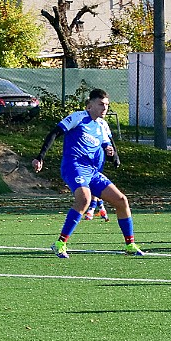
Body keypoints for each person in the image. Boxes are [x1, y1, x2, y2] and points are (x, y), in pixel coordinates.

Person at [32, 88, 143, 258]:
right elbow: (54, 133)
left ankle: (130, 245)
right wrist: (40, 157)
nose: (104, 108)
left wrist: (113, 155)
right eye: (100, 104)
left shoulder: (102, 125)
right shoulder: (78, 117)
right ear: (90, 105)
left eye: (106, 105)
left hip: (92, 171)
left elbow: (108, 145)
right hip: (74, 166)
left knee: (121, 201)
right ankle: (60, 243)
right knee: (84, 199)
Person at [84, 115, 119, 222]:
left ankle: (92, 208)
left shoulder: (102, 123)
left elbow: (110, 139)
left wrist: (115, 156)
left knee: (94, 183)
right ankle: (100, 208)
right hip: (86, 156)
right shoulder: (83, 121)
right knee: (89, 183)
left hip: (98, 157)